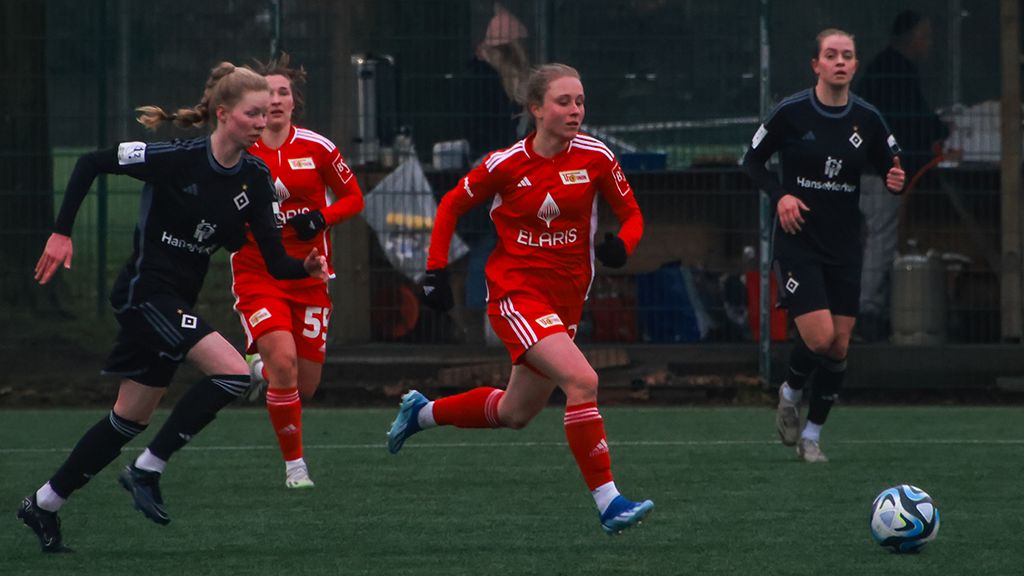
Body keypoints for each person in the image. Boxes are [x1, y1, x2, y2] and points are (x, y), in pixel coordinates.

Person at [19, 62, 328, 553]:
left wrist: (305, 267)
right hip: (144, 293)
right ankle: (147, 469)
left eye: (266, 113)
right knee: (234, 374)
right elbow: (92, 162)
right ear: (223, 114)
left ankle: (43, 503)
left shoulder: (255, 178)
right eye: (252, 113)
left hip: (174, 301)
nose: (261, 121)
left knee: (128, 419)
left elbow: (276, 263)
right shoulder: (175, 158)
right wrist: (60, 233)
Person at [387, 63, 654, 535]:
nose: (575, 111)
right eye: (563, 102)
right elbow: (450, 204)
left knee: (515, 413)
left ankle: (422, 413)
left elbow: (632, 215)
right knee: (583, 380)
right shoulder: (505, 164)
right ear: (536, 109)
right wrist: (434, 270)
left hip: (566, 301)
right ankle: (609, 502)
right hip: (516, 294)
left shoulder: (597, 157)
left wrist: (622, 246)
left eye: (580, 101)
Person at [742, 30, 905, 463]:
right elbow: (751, 161)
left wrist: (895, 179)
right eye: (831, 55)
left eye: (847, 55)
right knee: (820, 337)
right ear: (816, 64)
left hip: (845, 245)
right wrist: (781, 196)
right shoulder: (791, 113)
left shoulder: (868, 118)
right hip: (799, 241)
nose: (839, 62)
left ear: (855, 65)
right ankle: (790, 391)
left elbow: (889, 166)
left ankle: (811, 436)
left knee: (839, 346)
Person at [233, 53, 364, 488]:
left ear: (294, 101)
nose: (274, 100)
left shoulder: (318, 147)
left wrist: (321, 218)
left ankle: (257, 369)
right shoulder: (240, 150)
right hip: (259, 274)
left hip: (310, 276)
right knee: (285, 365)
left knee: (303, 386)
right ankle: (295, 468)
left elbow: (354, 198)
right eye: (266, 93)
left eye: (282, 92)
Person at [856, 10, 950, 341]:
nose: (930, 44)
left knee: (867, 239)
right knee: (880, 240)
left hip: (863, 167)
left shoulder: (885, 67)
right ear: (911, 38)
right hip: (878, 172)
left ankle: (859, 307)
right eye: (925, 36)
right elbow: (913, 121)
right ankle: (866, 310)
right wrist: (940, 132)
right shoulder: (897, 72)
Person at [453, 2, 532, 340]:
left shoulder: (487, 78)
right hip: (495, 168)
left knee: (489, 240)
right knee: (490, 240)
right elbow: (495, 130)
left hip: (492, 167)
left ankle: (482, 315)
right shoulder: (487, 80)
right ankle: (482, 315)